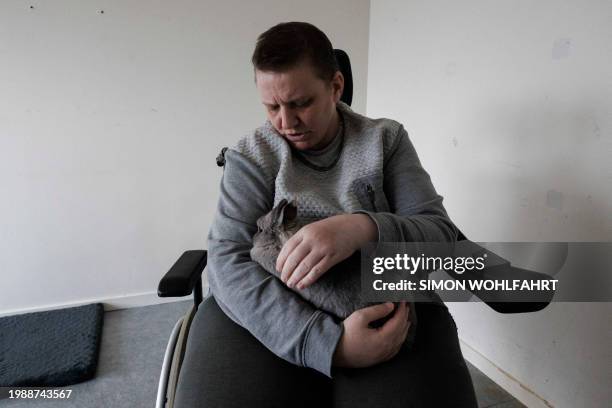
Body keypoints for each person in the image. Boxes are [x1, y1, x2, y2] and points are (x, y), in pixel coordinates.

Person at [174, 22, 478, 408]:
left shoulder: (385, 140)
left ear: (335, 87)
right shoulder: (251, 156)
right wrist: (324, 343)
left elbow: (440, 236)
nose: (286, 122)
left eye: (301, 103)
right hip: (269, 303)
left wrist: (362, 227)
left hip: (380, 297)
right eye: (272, 107)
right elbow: (225, 261)